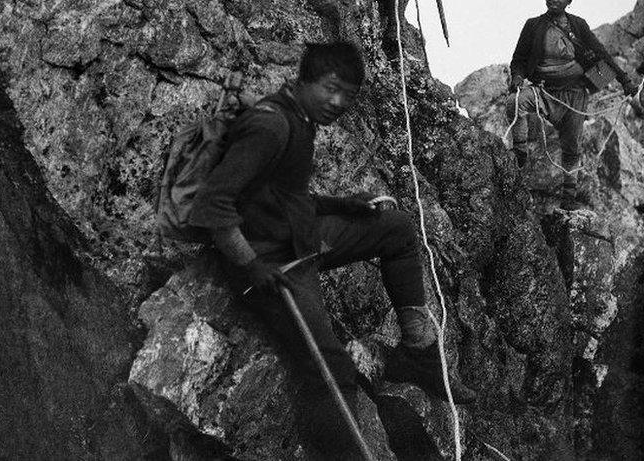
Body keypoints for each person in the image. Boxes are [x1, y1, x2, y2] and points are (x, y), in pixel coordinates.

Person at [191, 41, 474, 456]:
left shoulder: (300, 118)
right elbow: (212, 203)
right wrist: (250, 263)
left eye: (350, 95)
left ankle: (418, 353)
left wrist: (347, 206)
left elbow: (284, 197)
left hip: (299, 240)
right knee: (333, 372)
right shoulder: (271, 126)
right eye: (331, 87)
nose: (339, 102)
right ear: (305, 80)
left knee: (394, 228)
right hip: (273, 265)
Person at [506, 0, 637, 210]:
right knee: (516, 101)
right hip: (544, 91)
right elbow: (519, 60)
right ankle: (519, 154)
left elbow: (601, 53)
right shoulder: (533, 25)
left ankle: (569, 198)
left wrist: (624, 80)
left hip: (575, 94)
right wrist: (517, 77)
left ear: (569, 1)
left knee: (572, 146)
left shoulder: (578, 25)